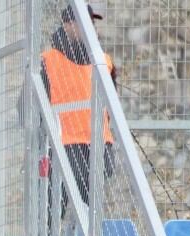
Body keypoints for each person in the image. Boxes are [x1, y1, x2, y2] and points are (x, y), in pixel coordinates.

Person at [40, 2, 116, 198]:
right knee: (54, 211)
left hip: (98, 147)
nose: (90, 27)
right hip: (63, 148)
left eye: (91, 23)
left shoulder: (104, 61)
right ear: (67, 25)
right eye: (83, 22)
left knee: (87, 216)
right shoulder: (47, 60)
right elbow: (28, 108)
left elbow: (111, 106)